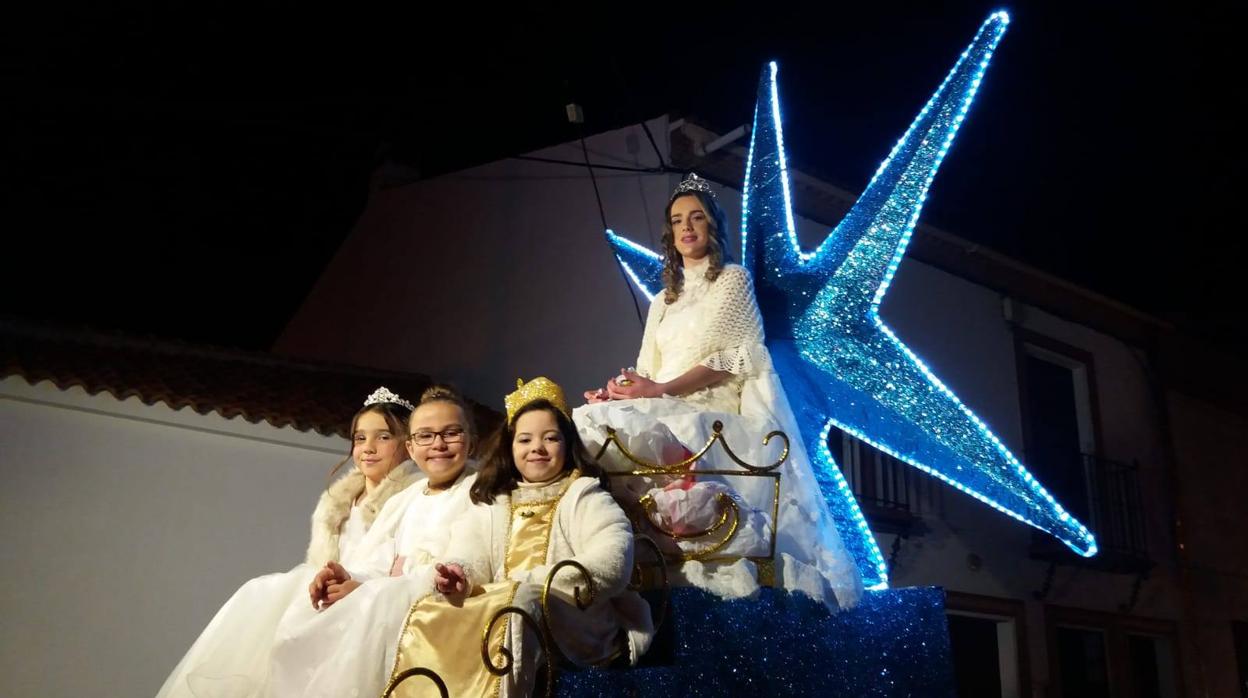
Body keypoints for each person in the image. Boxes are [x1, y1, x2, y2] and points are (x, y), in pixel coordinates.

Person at [577, 174, 863, 609]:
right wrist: (619, 391)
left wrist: (661, 389)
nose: (687, 227)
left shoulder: (731, 280)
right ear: (669, 233)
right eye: (677, 220)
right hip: (663, 400)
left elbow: (737, 356)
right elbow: (645, 370)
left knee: (672, 433)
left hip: (708, 408)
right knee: (589, 420)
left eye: (697, 218)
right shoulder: (662, 301)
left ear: (712, 226)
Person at [385, 377, 653, 698]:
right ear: (510, 448)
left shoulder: (584, 495)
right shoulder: (496, 502)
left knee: (520, 603)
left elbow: (612, 562)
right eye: (524, 440)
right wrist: (459, 574)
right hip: (505, 616)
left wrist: (529, 585)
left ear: (567, 445)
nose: (536, 448)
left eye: (550, 438)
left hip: (576, 623)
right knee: (431, 608)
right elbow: (470, 554)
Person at [156, 387, 422, 698]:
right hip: (323, 585)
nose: (369, 447)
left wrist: (358, 586)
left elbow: (397, 564)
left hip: (366, 596)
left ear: (406, 444)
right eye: (360, 438)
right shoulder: (337, 501)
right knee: (258, 598)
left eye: (384, 437)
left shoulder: (411, 496)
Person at [265, 385, 481, 698]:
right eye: (425, 435)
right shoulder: (405, 500)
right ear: (412, 444)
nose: (438, 444)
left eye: (450, 433)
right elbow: (376, 559)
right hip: (385, 595)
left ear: (471, 441)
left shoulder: (480, 492)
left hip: (431, 605)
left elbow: (468, 558)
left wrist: (368, 589)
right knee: (295, 626)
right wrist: (348, 577)